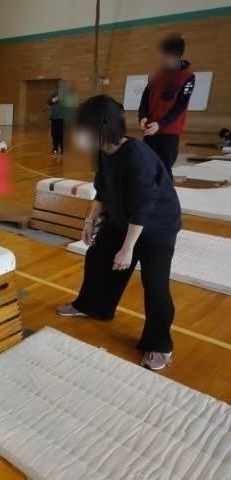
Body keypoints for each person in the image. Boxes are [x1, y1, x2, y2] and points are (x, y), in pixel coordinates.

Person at [57, 95, 181, 371]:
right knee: (98, 257)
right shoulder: (102, 150)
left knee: (156, 284)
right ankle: (93, 307)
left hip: (155, 226)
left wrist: (127, 249)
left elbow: (144, 207)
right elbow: (102, 188)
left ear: (103, 126)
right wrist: (90, 220)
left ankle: (160, 344)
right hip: (122, 217)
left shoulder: (137, 156)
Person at [138, 34, 195, 175]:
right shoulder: (156, 75)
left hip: (169, 131)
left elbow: (180, 106)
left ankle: (166, 197)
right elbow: (146, 96)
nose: (160, 57)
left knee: (164, 169)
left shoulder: (187, 77)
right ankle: (149, 196)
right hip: (150, 129)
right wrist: (142, 116)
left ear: (173, 55)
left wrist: (161, 124)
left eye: (163, 53)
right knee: (148, 167)